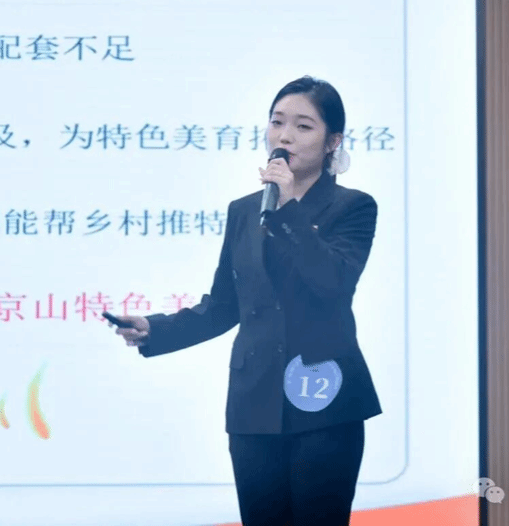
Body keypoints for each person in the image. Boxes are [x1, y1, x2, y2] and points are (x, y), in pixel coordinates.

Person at [112, 75, 382, 526]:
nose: (284, 136)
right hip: (254, 402)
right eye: (277, 122)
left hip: (323, 397)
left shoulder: (352, 207)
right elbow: (224, 305)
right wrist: (155, 329)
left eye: (303, 126)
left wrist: (289, 208)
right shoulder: (244, 210)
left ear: (332, 141)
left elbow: (333, 283)